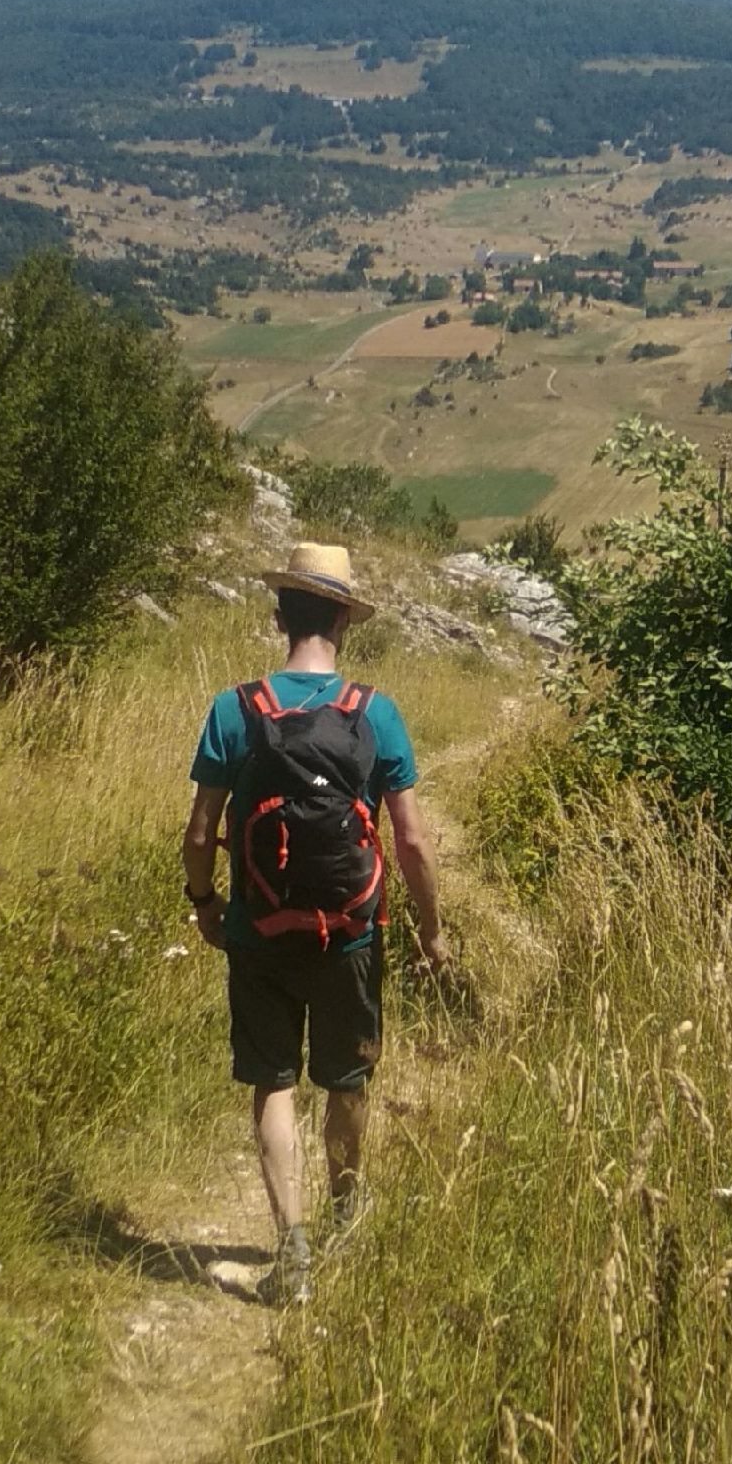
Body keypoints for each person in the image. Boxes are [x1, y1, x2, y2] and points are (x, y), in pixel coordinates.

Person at [183, 539, 448, 1306]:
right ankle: (345, 1220)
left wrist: (206, 903)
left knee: (273, 1080)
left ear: (279, 616)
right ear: (342, 621)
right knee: (347, 1077)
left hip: (258, 928)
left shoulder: (234, 710)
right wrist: (433, 930)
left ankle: (292, 1254)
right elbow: (412, 840)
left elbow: (200, 832)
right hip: (352, 932)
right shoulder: (375, 713)